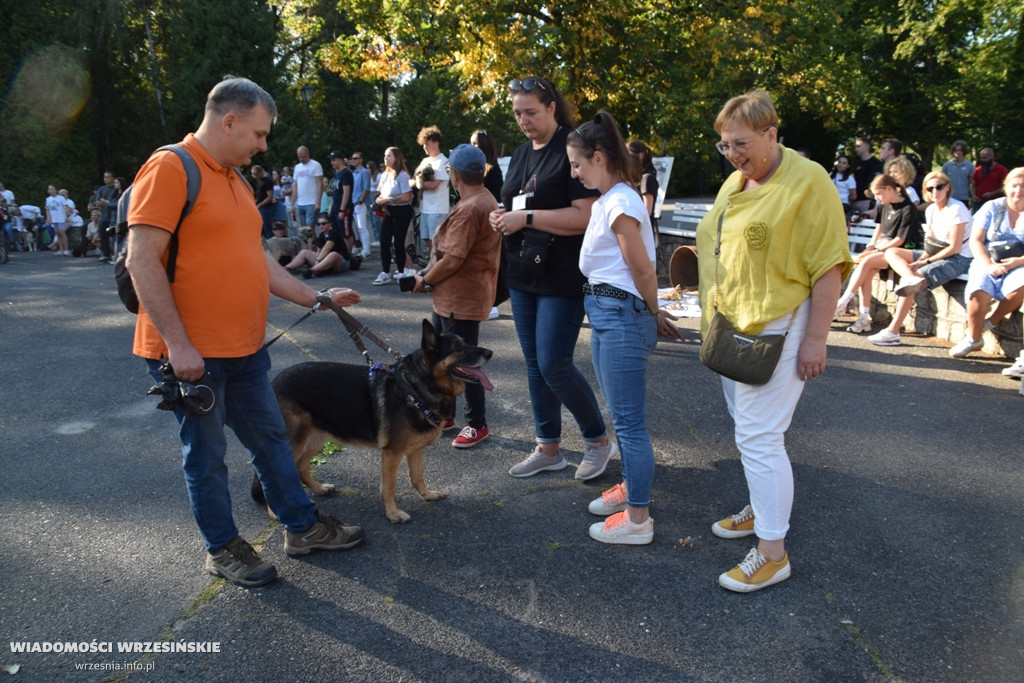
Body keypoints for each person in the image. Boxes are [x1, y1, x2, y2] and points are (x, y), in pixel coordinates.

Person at [124, 76, 365, 588]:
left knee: (273, 441)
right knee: (207, 458)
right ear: (228, 120)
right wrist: (179, 344)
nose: (263, 144)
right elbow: (141, 259)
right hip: (193, 355)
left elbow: (256, 261)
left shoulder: (234, 178)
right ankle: (223, 548)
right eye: (258, 133)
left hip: (245, 347)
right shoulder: (171, 167)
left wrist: (316, 297)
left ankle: (302, 528)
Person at [697, 89, 850, 592]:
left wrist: (816, 340)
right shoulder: (738, 181)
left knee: (760, 437)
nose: (733, 154)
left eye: (740, 143)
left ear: (771, 134)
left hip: (783, 325)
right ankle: (761, 511)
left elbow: (828, 265)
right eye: (724, 146)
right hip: (736, 322)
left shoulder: (809, 181)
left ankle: (772, 553)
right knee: (748, 428)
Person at [566, 112, 685, 545]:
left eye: (578, 164)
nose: (575, 173)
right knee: (622, 416)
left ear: (599, 157)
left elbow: (642, 266)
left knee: (630, 423)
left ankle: (638, 519)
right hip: (607, 314)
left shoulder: (618, 202)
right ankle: (632, 490)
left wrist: (653, 311)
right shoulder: (613, 199)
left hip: (619, 316)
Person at [489, 75, 615, 481]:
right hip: (524, 272)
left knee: (554, 365)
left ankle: (597, 440)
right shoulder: (524, 151)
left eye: (531, 112)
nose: (523, 120)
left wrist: (524, 217)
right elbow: (515, 202)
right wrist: (501, 216)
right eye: (517, 113)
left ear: (551, 108)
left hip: (561, 275)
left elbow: (586, 215)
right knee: (534, 364)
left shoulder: (570, 147)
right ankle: (548, 447)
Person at [411, 144, 501, 447]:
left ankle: (477, 423)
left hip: (460, 299)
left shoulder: (472, 206)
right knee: (442, 356)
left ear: (454, 174)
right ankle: (447, 415)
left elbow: (453, 259)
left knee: (464, 362)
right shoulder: (481, 198)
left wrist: (424, 279)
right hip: (455, 297)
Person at [867, 172, 973, 346]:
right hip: (936, 253)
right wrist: (923, 257)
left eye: (939, 187)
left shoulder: (957, 209)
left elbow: (954, 247)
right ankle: (910, 278)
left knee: (916, 275)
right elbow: (931, 243)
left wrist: (925, 262)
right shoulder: (931, 209)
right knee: (893, 252)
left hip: (959, 257)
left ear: (947, 187)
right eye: (929, 188)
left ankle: (892, 332)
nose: (934, 191)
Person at [949, 167, 1024, 359]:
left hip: (1020, 262)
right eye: (1015, 185)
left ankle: (991, 321)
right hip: (988, 258)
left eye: (1023, 186)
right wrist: (989, 265)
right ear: (1006, 187)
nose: (1019, 190)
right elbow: (976, 240)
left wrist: (1015, 263)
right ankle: (973, 339)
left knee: (1020, 285)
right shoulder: (993, 207)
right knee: (978, 293)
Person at [835, 174, 923, 333]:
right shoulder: (884, 205)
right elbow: (879, 229)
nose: (876, 198)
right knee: (866, 271)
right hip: (884, 248)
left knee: (866, 262)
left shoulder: (908, 208)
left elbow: (900, 239)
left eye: (878, 194)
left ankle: (843, 301)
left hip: (901, 251)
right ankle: (864, 318)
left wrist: (876, 251)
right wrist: (870, 247)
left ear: (889, 189)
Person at [472, 129, 506, 320]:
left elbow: (496, 197)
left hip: (491, 220)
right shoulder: (479, 168)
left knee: (490, 262)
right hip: (480, 219)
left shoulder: (492, 169)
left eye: (476, 144)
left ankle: (492, 302)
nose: (473, 147)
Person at [373, 147, 414, 285]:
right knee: (384, 240)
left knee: (398, 242)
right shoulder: (384, 175)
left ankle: (401, 271)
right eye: (385, 156)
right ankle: (385, 272)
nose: (386, 158)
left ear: (396, 157)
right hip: (389, 210)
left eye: (389, 156)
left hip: (402, 211)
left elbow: (407, 197)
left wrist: (388, 199)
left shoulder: (402, 175)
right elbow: (380, 193)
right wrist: (379, 200)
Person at [415, 126, 450, 253]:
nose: (425, 147)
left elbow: (434, 185)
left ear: (436, 143)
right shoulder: (425, 161)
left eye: (428, 144)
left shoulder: (444, 162)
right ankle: (432, 265)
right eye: (424, 145)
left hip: (438, 208)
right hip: (425, 208)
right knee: (427, 240)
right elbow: (414, 179)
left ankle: (440, 267)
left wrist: (419, 184)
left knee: (437, 241)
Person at [283, 213, 353, 278]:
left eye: (323, 223)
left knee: (333, 254)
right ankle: (286, 268)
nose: (321, 226)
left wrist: (318, 260)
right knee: (304, 252)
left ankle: (312, 270)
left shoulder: (333, 233)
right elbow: (319, 250)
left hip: (341, 262)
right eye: (319, 224)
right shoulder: (321, 235)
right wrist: (318, 258)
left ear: (330, 224)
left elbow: (327, 247)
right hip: (325, 260)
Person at [326, 150, 354, 253]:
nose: (331, 163)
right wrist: (331, 207)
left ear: (340, 160)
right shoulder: (338, 174)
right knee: (337, 231)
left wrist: (342, 210)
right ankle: (341, 251)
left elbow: (346, 193)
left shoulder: (346, 173)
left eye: (333, 160)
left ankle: (348, 254)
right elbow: (336, 193)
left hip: (343, 207)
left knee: (346, 232)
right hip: (335, 206)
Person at [291, 146, 324, 230]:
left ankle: (311, 243)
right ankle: (313, 243)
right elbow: (295, 186)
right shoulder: (297, 167)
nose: (301, 159)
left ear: (308, 154)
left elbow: (320, 183)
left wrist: (318, 201)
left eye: (303, 156)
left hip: (311, 202)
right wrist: (292, 204)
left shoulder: (315, 165)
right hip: (300, 202)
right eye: (299, 157)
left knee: (309, 228)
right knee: (304, 229)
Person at [851, 136, 883, 213]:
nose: (856, 149)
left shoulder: (876, 164)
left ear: (867, 147)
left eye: (859, 146)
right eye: (856, 146)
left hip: (867, 200)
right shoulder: (856, 164)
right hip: (855, 199)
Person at [350, 151, 372, 258]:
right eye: (352, 158)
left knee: (362, 227)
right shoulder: (354, 173)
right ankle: (364, 248)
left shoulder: (364, 172)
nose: (353, 160)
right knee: (359, 228)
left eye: (356, 158)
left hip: (359, 203)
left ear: (361, 159)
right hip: (354, 202)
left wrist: (360, 200)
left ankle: (366, 249)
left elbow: (366, 188)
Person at [471, 129, 503, 202]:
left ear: (484, 145)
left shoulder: (493, 169)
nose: (471, 147)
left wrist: (479, 191)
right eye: (471, 143)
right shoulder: (471, 166)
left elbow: (498, 196)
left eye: (474, 143)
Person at [971, 148, 1008, 212]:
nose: (982, 160)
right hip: (978, 203)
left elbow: (1006, 186)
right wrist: (973, 195)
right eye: (981, 158)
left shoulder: (1001, 170)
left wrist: (992, 193)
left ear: (992, 157)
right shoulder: (977, 170)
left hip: (994, 203)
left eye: (985, 158)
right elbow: (972, 185)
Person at [94, 171, 118, 262]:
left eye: (108, 177)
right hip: (103, 216)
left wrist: (106, 203)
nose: (105, 179)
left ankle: (114, 254)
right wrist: (102, 203)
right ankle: (105, 254)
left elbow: (114, 202)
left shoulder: (115, 189)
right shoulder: (101, 189)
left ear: (113, 178)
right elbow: (98, 202)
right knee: (102, 235)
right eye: (105, 177)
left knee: (113, 236)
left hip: (113, 216)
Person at [942, 140, 973, 207]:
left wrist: (973, 196)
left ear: (964, 151)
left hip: (963, 197)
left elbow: (971, 183)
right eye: (956, 150)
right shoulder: (947, 165)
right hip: (950, 196)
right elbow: (942, 181)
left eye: (960, 150)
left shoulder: (969, 165)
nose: (958, 152)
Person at [44, 184, 70, 256]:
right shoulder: (48, 199)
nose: (50, 191)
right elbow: (47, 209)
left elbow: (67, 207)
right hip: (54, 218)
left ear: (56, 190)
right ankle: (60, 249)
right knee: (58, 234)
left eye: (52, 189)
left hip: (61, 218)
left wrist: (67, 216)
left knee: (62, 233)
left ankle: (66, 249)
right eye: (49, 189)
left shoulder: (60, 198)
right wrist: (48, 218)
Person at [251, 165, 275, 238]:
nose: (255, 176)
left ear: (260, 172)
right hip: (259, 207)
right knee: (262, 229)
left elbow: (269, 197)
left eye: (255, 174)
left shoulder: (267, 181)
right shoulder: (259, 182)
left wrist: (260, 205)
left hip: (266, 208)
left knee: (267, 228)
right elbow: (259, 194)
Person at [366, 160, 382, 246]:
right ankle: (376, 238)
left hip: (376, 196)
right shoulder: (368, 176)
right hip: (369, 196)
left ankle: (379, 238)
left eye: (369, 168)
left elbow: (382, 187)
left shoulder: (379, 176)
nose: (367, 169)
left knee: (376, 219)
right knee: (372, 219)